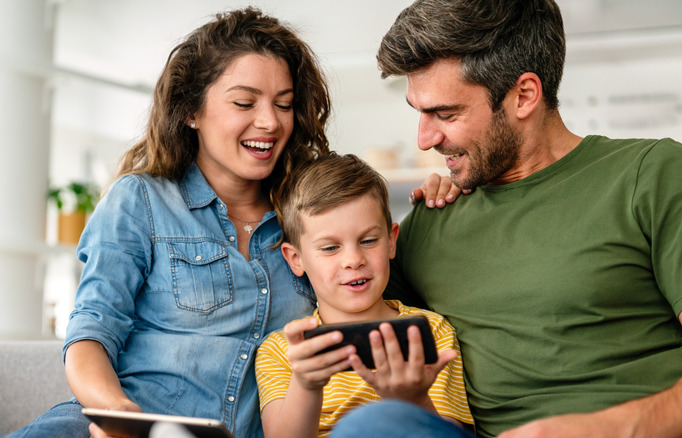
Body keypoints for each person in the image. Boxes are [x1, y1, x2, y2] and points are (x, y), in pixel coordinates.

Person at [331, 1, 682, 438]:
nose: (426, 138)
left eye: (445, 114)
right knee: (371, 428)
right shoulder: (431, 220)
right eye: (420, 113)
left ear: (524, 95)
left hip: (654, 430)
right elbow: (337, 296)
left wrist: (612, 428)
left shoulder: (650, 174)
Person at [8, 7, 457, 438]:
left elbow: (373, 277)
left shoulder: (308, 215)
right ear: (191, 111)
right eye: (244, 102)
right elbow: (91, 332)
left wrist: (444, 190)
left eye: (284, 104)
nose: (269, 122)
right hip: (126, 425)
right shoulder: (140, 199)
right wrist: (117, 414)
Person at [255, 153, 474, 437]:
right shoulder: (283, 351)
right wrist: (307, 384)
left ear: (391, 241)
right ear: (295, 259)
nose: (353, 259)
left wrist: (414, 398)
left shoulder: (430, 331)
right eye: (330, 248)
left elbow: (447, 433)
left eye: (368, 241)